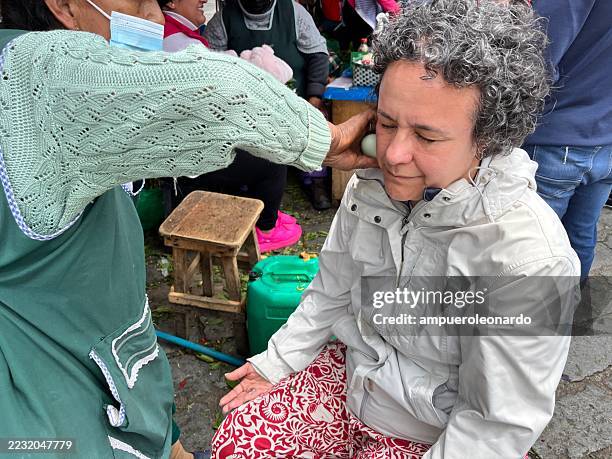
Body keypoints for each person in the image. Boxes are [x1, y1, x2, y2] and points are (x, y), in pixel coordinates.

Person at [0, 0, 376, 458]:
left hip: (118, 381)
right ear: (63, 6)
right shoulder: (30, 77)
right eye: (138, 3)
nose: (156, 20)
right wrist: (329, 141)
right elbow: (220, 92)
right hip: (56, 419)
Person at [213, 1, 580, 457]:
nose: (392, 155)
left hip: (434, 431)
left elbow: (497, 423)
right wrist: (277, 361)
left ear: (489, 138)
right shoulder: (370, 187)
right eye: (385, 123)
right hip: (351, 378)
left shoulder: (528, 260)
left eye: (426, 137)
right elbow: (331, 288)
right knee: (239, 439)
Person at [157, 0, 304, 252]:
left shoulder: (174, 34)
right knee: (274, 158)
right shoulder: (180, 44)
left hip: (189, 144)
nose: (203, 0)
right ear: (171, 2)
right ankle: (265, 228)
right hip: (189, 157)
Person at [205, 0, 334, 210]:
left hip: (295, 100)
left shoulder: (295, 13)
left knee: (314, 129)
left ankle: (315, 181)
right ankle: (249, 187)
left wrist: (314, 98)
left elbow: (318, 55)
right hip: (246, 108)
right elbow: (213, 65)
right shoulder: (223, 19)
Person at [522, 0, 612, 282]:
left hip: (557, 136)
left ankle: (544, 320)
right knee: (580, 234)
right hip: (603, 139)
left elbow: (535, 61)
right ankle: (566, 314)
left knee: (531, 248)